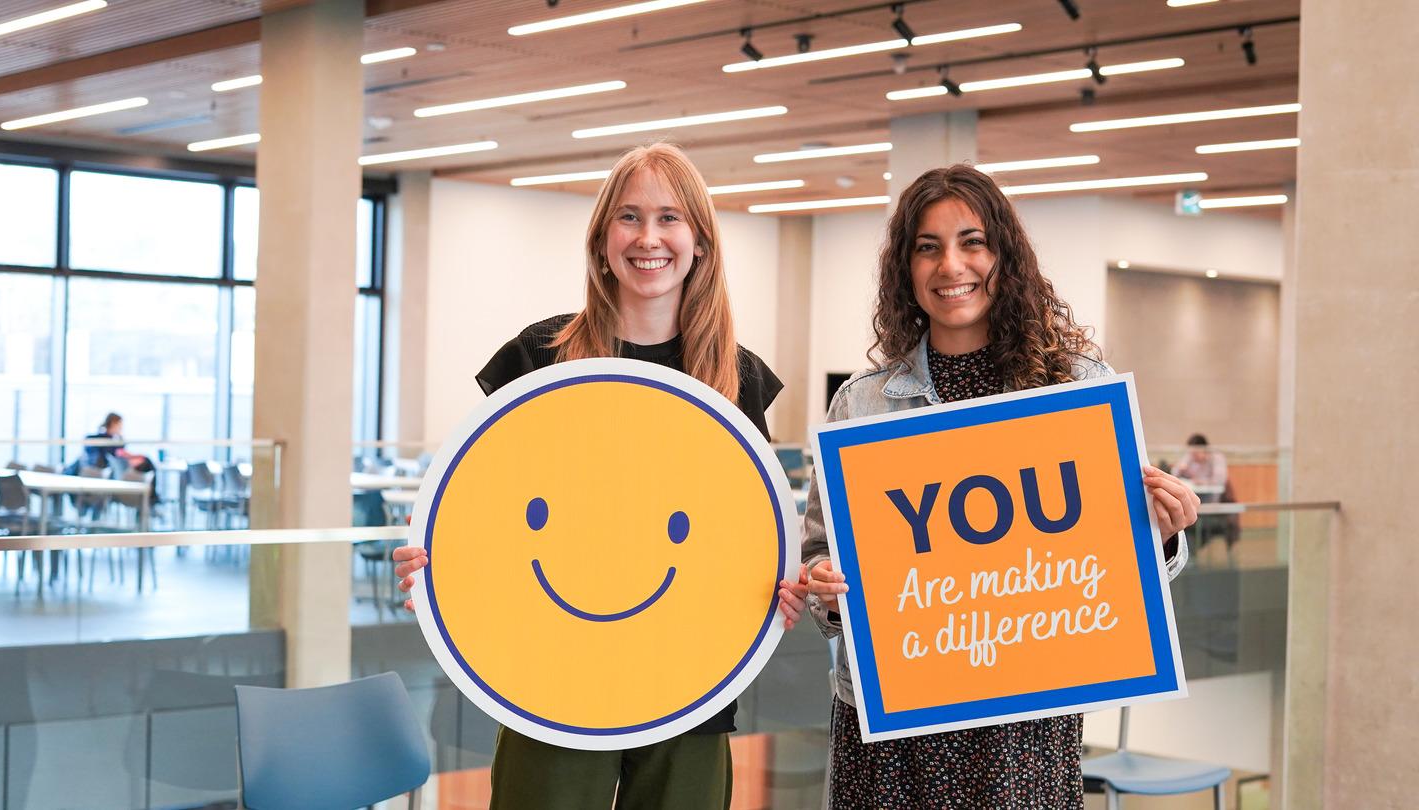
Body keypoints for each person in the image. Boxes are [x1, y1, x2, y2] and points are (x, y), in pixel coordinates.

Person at [391, 142, 811, 810]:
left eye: (670, 218)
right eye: (629, 217)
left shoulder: (737, 378)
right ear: (601, 239)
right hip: (553, 675)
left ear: (700, 241)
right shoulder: (539, 358)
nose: (649, 238)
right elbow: (488, 506)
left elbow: (742, 532)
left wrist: (778, 585)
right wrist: (443, 574)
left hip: (690, 675)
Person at [798, 165, 1200, 808]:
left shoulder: (1075, 391)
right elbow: (819, 557)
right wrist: (823, 584)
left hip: (1023, 727)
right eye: (927, 247)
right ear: (905, 269)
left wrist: (1165, 531)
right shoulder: (862, 405)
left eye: (972, 241)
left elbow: (1114, 568)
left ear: (1004, 255)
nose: (950, 264)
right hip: (893, 727)